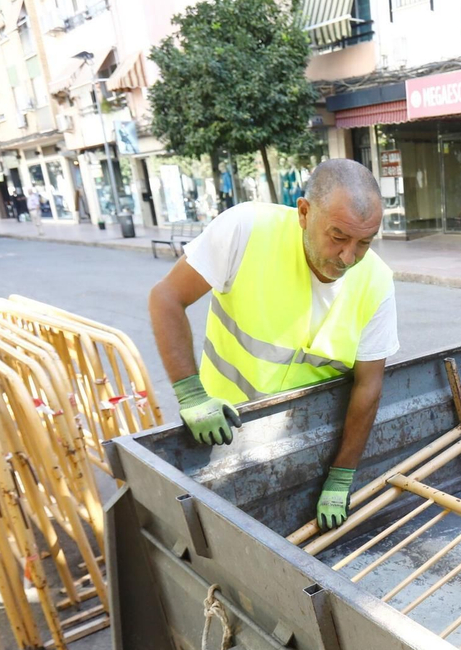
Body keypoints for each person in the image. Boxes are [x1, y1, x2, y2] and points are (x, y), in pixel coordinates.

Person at [147, 159, 398, 531]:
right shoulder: (246, 230)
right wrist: (191, 394)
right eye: (338, 237)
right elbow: (166, 297)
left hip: (302, 445)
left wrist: (341, 474)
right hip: (219, 433)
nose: (349, 258)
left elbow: (368, 385)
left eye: (364, 242)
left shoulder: (376, 282)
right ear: (304, 212)